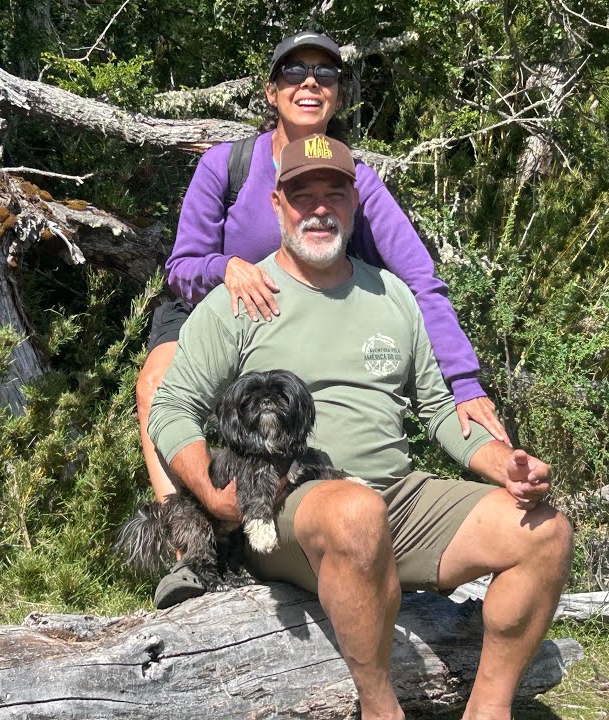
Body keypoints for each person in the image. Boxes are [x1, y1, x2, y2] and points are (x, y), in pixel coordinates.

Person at [148, 134, 573, 720]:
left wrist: (507, 465)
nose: (319, 209)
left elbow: (439, 410)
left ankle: (488, 710)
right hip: (291, 505)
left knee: (546, 532)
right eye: (303, 195)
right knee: (354, 511)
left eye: (334, 194)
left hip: (396, 496)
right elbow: (172, 407)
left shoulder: (391, 295)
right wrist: (217, 494)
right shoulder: (238, 301)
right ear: (277, 204)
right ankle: (380, 709)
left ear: (354, 203)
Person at [136, 30, 510, 535]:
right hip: (212, 299)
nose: (309, 82)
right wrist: (225, 267)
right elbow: (181, 266)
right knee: (158, 382)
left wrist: (463, 383)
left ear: (338, 94)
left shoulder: (357, 180)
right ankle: (186, 534)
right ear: (271, 91)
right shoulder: (227, 165)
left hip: (299, 307)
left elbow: (421, 280)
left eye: (325, 73)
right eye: (294, 71)